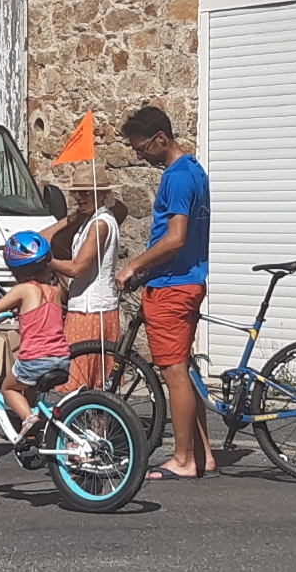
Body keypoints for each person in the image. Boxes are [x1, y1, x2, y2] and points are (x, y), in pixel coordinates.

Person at [115, 106, 216, 481]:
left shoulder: (176, 178)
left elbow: (175, 238)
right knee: (184, 371)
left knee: (173, 372)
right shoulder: (195, 171)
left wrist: (134, 266)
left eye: (143, 149)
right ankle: (204, 455)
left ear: (161, 138)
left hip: (172, 286)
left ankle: (184, 459)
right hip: (186, 280)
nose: (141, 156)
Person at [0, 231, 69, 438]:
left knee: (9, 389)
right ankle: (48, 433)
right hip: (61, 358)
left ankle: (28, 419)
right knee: (32, 390)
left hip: (35, 360)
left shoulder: (24, 290)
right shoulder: (56, 291)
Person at [41, 163, 127, 390]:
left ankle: (88, 425)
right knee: (94, 387)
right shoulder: (92, 220)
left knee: (81, 383)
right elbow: (43, 237)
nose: (79, 197)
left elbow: (77, 268)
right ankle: (96, 426)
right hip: (91, 306)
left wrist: (45, 260)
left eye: (86, 192)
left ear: (102, 193)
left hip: (91, 310)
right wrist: (74, 218)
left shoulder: (99, 224)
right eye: (76, 193)